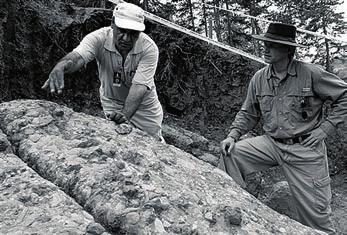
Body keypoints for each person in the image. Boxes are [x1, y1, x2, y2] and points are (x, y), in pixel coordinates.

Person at [220, 22, 347, 234]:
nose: (265, 48)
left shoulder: (311, 73)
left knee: (317, 219)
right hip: (271, 143)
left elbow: (344, 95)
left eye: (272, 45)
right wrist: (233, 136)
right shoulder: (260, 78)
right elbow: (249, 112)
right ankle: (235, 212)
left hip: (305, 150)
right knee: (230, 154)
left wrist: (325, 129)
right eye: (265, 43)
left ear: (288, 49)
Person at [42, 2, 164, 141]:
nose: (126, 38)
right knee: (118, 142)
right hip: (111, 101)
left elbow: (140, 86)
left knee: (153, 144)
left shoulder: (149, 48)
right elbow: (79, 56)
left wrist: (125, 114)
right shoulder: (98, 38)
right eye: (122, 30)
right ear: (112, 23)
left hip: (145, 107)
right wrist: (62, 65)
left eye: (133, 34)